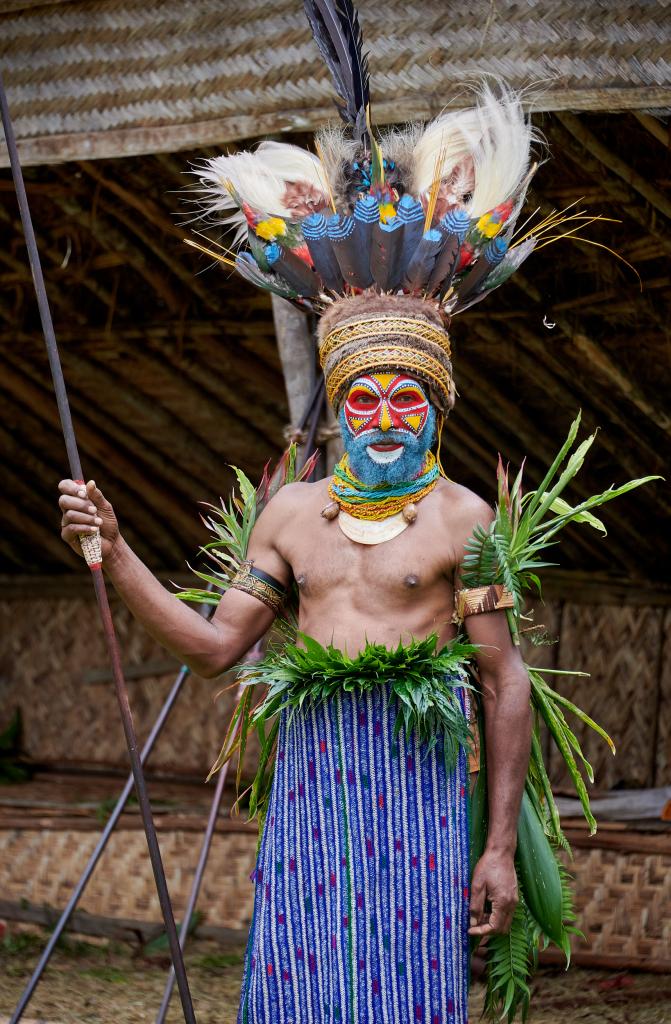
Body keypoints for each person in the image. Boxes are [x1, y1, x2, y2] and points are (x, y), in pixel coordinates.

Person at [58, 5, 539, 1018]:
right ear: (337, 408)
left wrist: (494, 846)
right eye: (361, 399)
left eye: (405, 399)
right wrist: (117, 546)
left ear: (436, 405)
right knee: (301, 979)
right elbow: (212, 648)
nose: (382, 420)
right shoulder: (289, 516)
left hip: (417, 788)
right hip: (314, 786)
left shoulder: (463, 522)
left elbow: (501, 684)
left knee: (405, 984)